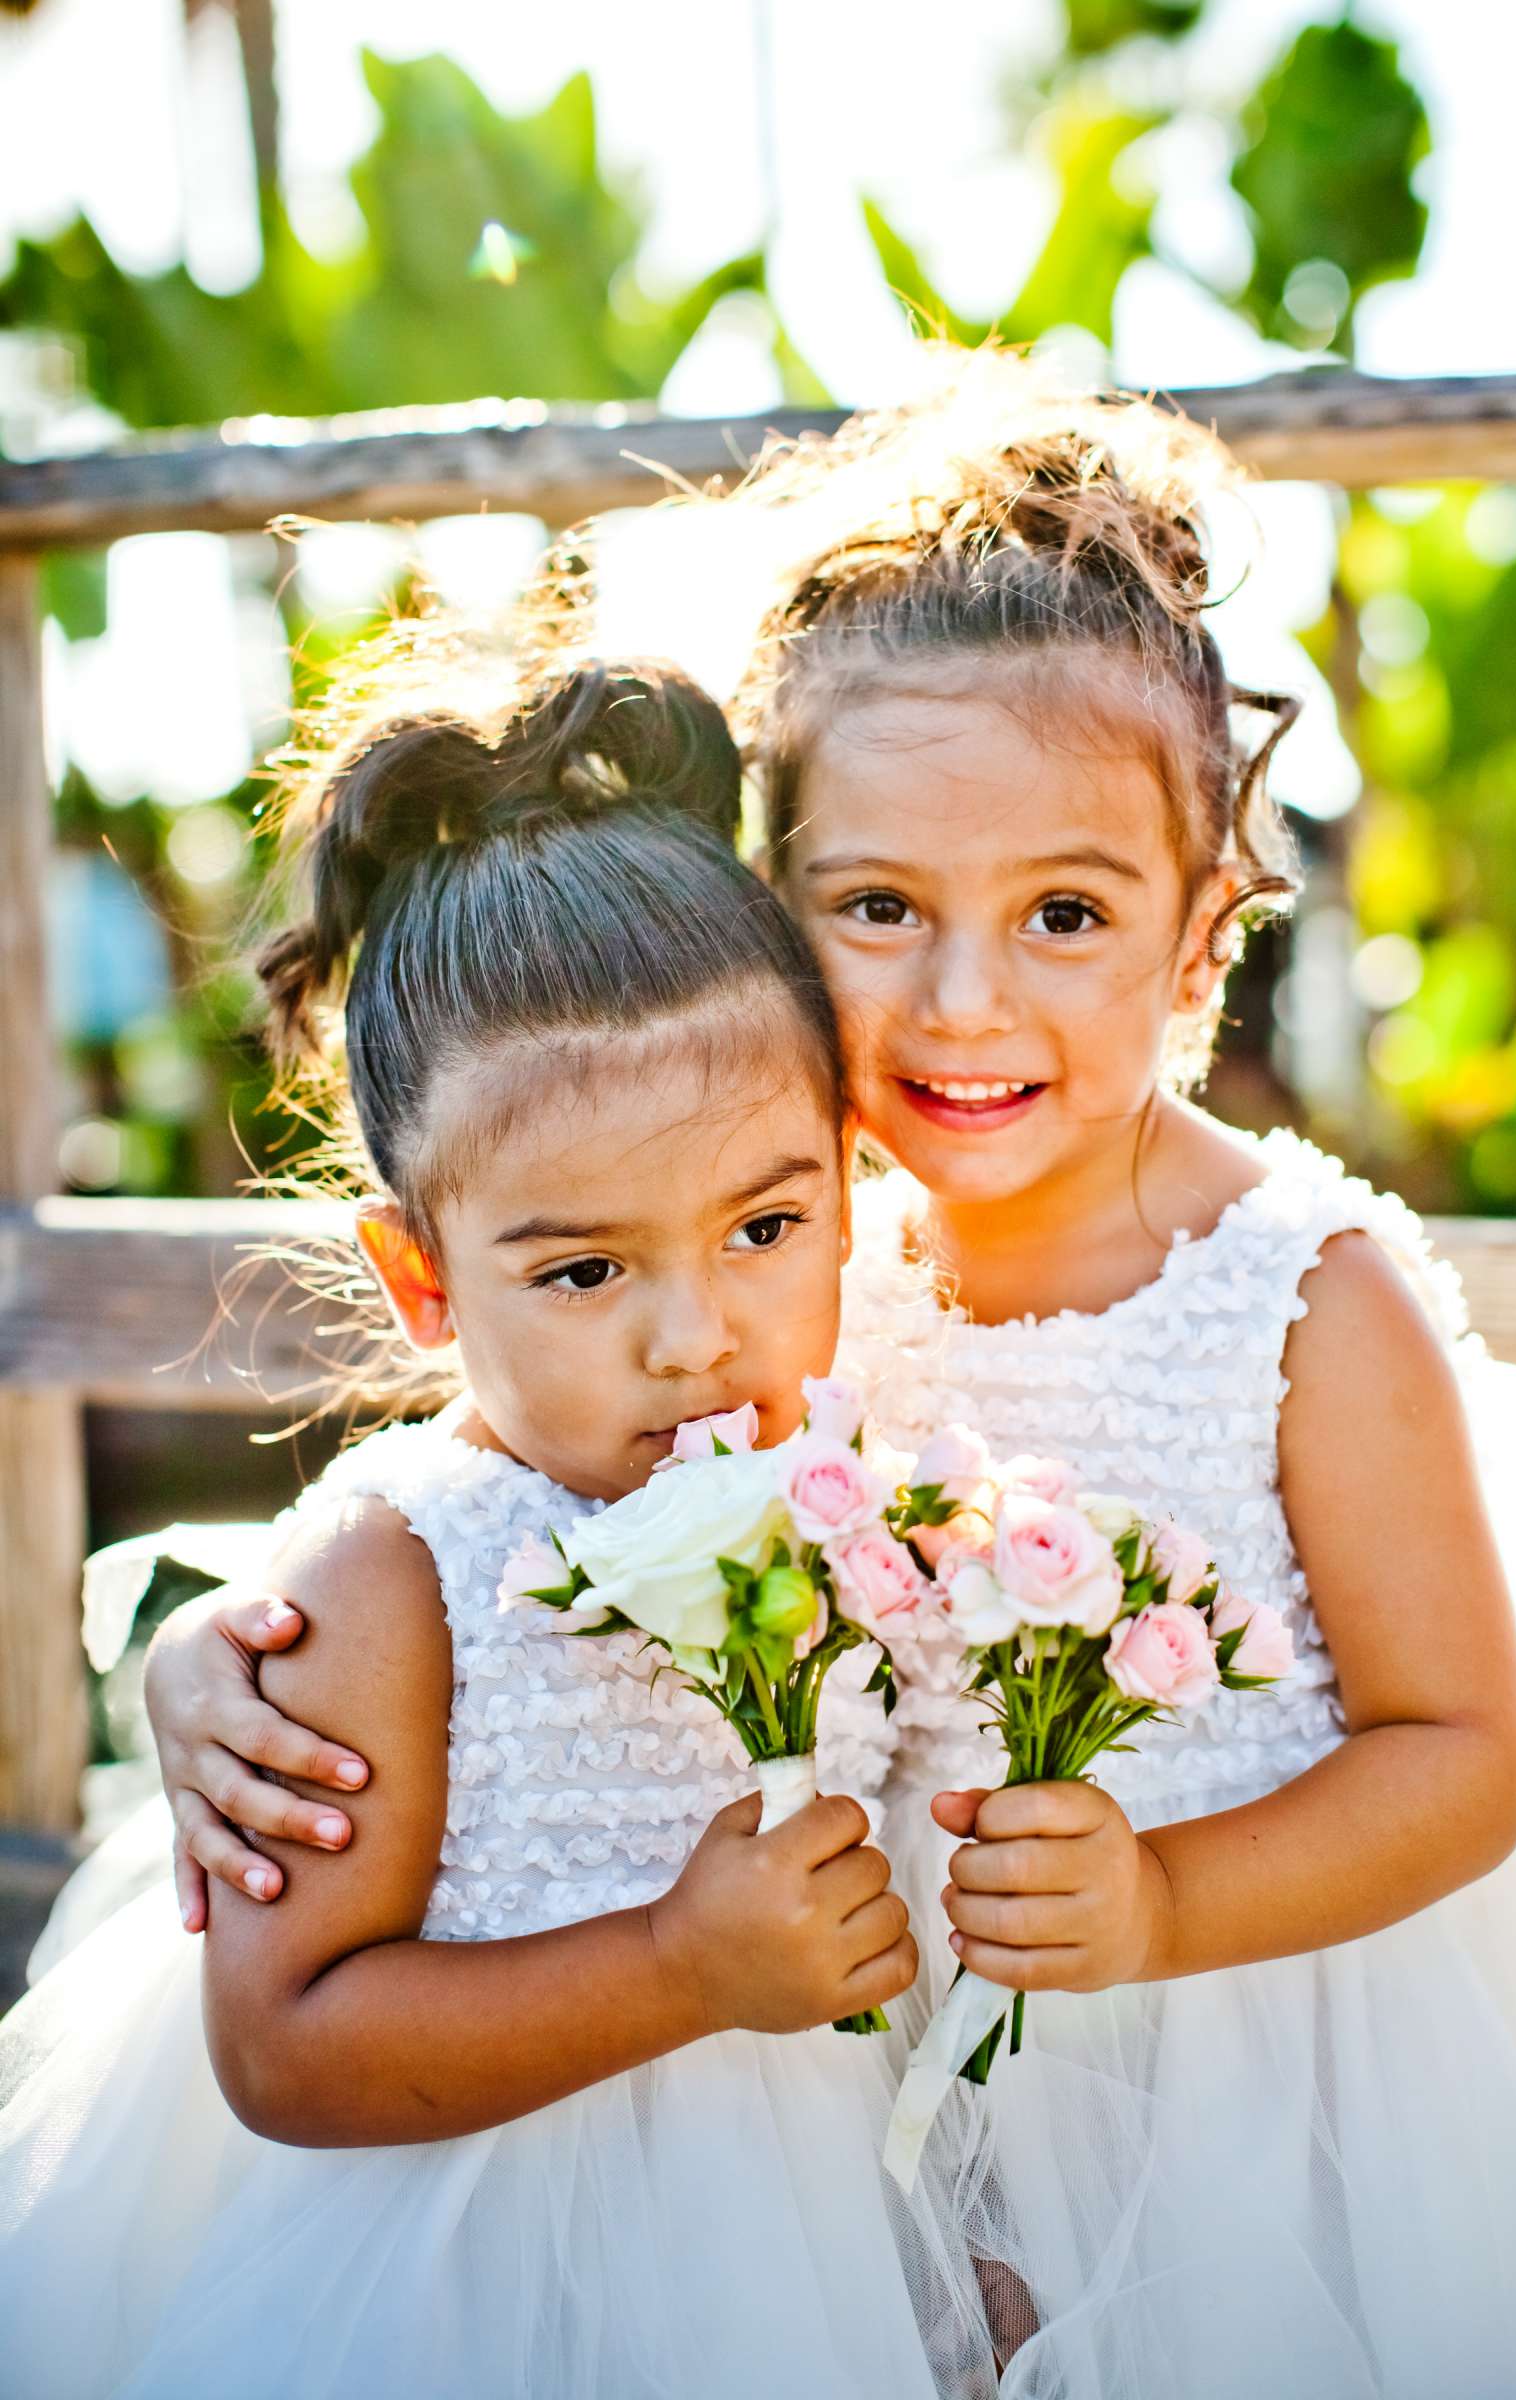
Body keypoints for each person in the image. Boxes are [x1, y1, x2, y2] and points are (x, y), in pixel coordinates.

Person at [131, 357, 1516, 2394]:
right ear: (768, 904)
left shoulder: (1300, 1296)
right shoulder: (789, 1251)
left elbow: (1460, 1753)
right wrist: (218, 1646)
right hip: (835, 2101)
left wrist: (1162, 1901)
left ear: (1201, 940)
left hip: (1231, 2097)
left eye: (1065, 913)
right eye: (877, 908)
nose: (962, 998)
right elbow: (487, 1483)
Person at [0, 641, 974, 2400]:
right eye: (587, 1268)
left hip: (814, 2237)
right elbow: (289, 2051)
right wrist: (681, 1965)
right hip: (480, 2282)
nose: (699, 1337)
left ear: (849, 1170)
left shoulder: (857, 1457)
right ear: (426, 1278)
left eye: (768, 1227)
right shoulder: (391, 1582)